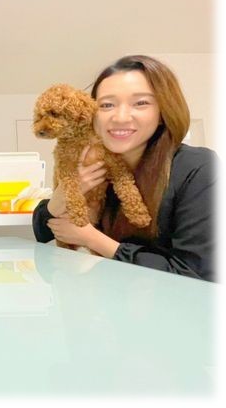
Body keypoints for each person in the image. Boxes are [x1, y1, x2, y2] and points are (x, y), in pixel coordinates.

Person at [33, 55, 217, 281]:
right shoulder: (92, 162)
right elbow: (43, 229)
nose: (120, 117)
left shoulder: (197, 167)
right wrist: (57, 201)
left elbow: (195, 274)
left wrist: (94, 240)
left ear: (163, 112)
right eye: (106, 105)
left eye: (140, 103)